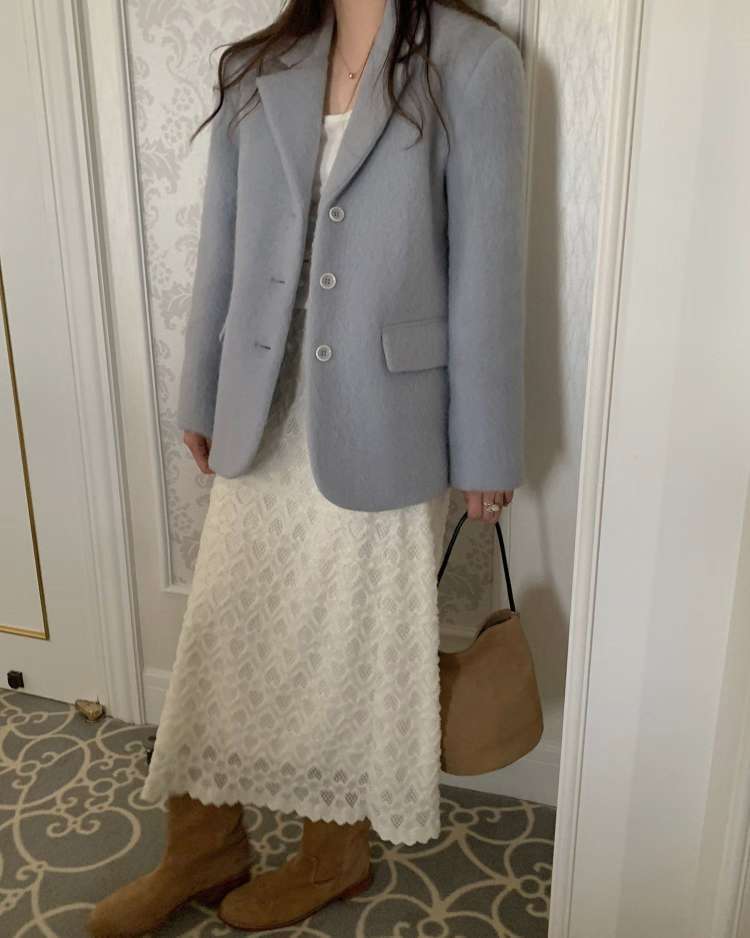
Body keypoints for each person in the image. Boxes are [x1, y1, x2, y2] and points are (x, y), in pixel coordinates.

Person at [87, 0, 526, 933]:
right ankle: (203, 846)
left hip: (386, 414)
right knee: (225, 632)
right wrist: (202, 394)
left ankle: (334, 855)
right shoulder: (257, 68)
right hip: (265, 406)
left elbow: (487, 269)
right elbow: (222, 247)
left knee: (351, 647)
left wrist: (488, 447)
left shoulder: (474, 64)